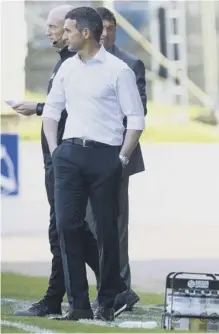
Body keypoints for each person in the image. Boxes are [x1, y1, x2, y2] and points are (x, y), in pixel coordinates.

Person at [42, 7, 145, 321]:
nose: (64, 35)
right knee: (67, 227)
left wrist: (122, 158)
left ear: (85, 33)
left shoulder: (118, 70)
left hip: (106, 157)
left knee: (107, 233)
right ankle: (78, 305)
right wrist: (56, 150)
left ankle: (108, 301)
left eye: (69, 30)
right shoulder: (66, 69)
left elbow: (136, 119)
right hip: (69, 156)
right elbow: (51, 111)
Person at [12, 4, 101, 317]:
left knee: (63, 228)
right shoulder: (64, 63)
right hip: (57, 157)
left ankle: (63, 298)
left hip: (68, 157)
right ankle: (113, 287)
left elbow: (74, 109)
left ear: (74, 29)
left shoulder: (79, 65)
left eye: (56, 27)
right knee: (69, 228)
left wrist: (37, 108)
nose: (50, 32)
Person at [85, 6, 147, 311]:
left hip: (114, 158)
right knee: (80, 226)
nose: (106, 34)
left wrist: (118, 155)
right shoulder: (77, 63)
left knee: (115, 227)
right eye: (102, 28)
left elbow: (135, 114)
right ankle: (113, 288)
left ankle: (119, 291)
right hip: (80, 157)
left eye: (111, 28)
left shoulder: (130, 64)